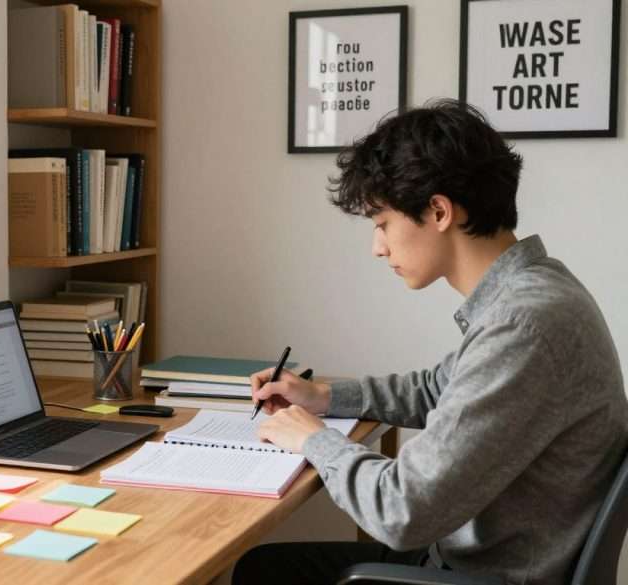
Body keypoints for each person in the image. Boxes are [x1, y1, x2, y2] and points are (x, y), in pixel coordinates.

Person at [233, 99, 628, 585]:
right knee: (263, 567)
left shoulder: (524, 324)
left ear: (438, 210)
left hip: (485, 576)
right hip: (482, 562)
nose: (378, 247)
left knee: (262, 573)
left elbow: (402, 510)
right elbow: (436, 389)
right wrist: (323, 396)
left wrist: (314, 438)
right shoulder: (536, 291)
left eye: (382, 224)